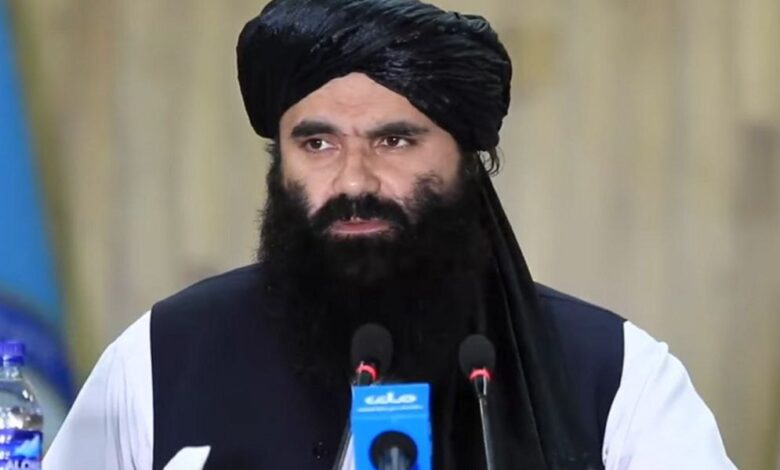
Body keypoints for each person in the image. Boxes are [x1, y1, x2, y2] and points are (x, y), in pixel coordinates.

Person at [45, 0, 736, 469]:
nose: (354, 180)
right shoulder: (161, 356)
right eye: (317, 143)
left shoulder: (616, 376)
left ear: (468, 160)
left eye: (395, 140)